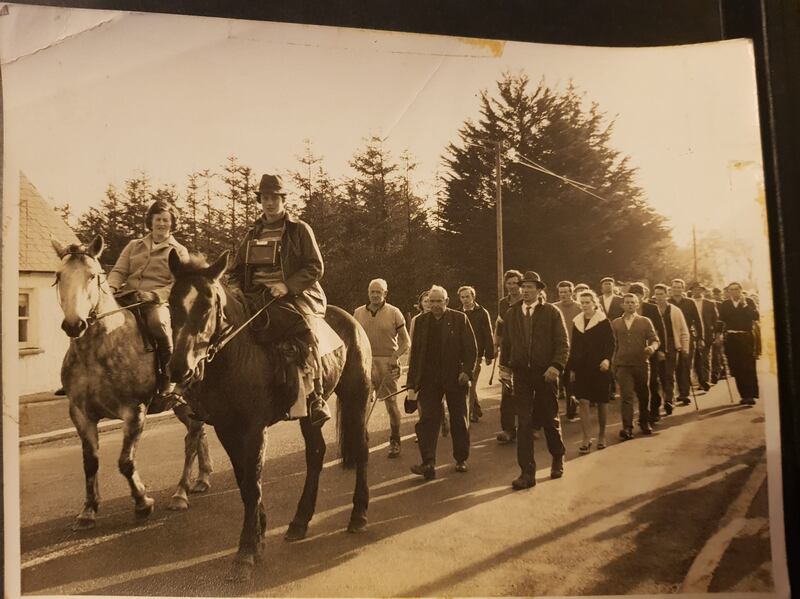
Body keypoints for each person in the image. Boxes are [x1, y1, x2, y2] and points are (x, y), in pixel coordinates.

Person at [228, 173, 330, 426]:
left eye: (274, 197)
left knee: (299, 328)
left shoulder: (299, 229)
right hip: (256, 296)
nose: (270, 203)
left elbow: (315, 267)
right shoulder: (252, 233)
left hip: (296, 295)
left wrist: (287, 285)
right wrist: (235, 289)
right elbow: (236, 270)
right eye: (265, 198)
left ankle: (316, 396)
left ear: (283, 199)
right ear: (260, 201)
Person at [108, 200, 189, 401]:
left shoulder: (179, 251)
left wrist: (153, 295)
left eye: (166, 220)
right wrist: (110, 289)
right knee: (97, 318)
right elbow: (119, 271)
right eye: (158, 219)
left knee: (157, 322)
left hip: (157, 302)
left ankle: (168, 376)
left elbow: (179, 285)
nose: (161, 224)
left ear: (172, 224)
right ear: (150, 222)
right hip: (127, 297)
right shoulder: (133, 245)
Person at [499, 271, 569, 490]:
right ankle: (527, 473)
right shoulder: (512, 313)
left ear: (540, 290)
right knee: (525, 423)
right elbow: (507, 343)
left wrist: (555, 366)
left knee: (549, 418)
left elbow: (563, 343)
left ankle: (557, 458)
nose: (526, 290)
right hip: (522, 375)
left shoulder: (551, 312)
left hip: (545, 374)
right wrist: (505, 368)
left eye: (531, 287)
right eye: (524, 287)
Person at [406, 285, 477, 479]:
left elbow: (471, 349)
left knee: (459, 420)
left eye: (439, 301)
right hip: (429, 379)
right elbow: (416, 356)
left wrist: (466, 372)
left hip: (455, 377)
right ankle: (428, 462)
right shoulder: (420, 322)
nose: (435, 305)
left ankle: (461, 458)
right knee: (427, 420)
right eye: (432, 301)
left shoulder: (459, 319)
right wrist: (411, 384)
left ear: (446, 301)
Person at [353, 278, 411, 457]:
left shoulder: (394, 312)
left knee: (391, 404)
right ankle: (361, 440)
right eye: (372, 291)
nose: (375, 295)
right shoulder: (357, 313)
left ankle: (395, 440)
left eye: (379, 292)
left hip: (387, 363)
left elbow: (406, 341)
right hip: (365, 363)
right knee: (361, 404)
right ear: (368, 292)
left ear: (385, 293)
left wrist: (395, 357)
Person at [567, 290, 614, 452]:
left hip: (600, 367)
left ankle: (601, 435)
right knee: (583, 401)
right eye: (583, 302)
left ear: (594, 303)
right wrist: (572, 368)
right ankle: (586, 437)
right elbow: (574, 347)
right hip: (582, 368)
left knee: (602, 402)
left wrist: (607, 359)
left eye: (588, 302)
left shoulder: (603, 321)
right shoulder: (577, 322)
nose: (585, 305)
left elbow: (610, 343)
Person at [611, 293, 660, 439]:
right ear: (622, 305)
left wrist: (652, 348)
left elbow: (655, 340)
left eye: (633, 302)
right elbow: (612, 344)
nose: (630, 305)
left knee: (643, 394)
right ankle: (627, 427)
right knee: (626, 396)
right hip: (623, 365)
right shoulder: (616, 323)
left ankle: (644, 421)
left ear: (638, 304)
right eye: (627, 302)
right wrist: (612, 361)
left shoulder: (645, 321)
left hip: (641, 363)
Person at [494, 269, 524, 445]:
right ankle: (508, 429)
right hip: (507, 351)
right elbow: (499, 325)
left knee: (525, 389)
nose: (512, 286)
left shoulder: (526, 301)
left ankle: (531, 425)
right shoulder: (503, 303)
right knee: (507, 391)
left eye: (515, 283)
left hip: (525, 352)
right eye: (509, 283)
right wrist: (496, 345)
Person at [717, 282, 760, 405]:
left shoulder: (749, 301)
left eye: (736, 289)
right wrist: (718, 335)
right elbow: (720, 320)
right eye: (731, 290)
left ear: (741, 290)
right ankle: (743, 395)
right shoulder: (725, 304)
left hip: (746, 336)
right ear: (728, 291)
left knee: (748, 366)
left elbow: (755, 316)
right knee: (735, 366)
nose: (734, 292)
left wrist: (744, 305)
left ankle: (750, 395)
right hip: (731, 337)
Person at [650, 284, 690, 416]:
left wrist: (684, 347)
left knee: (668, 374)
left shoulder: (675, 310)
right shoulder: (651, 310)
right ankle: (657, 402)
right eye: (656, 294)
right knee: (656, 376)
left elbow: (683, 330)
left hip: (671, 344)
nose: (659, 297)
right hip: (654, 346)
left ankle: (669, 400)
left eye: (661, 294)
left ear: (667, 295)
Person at [456, 286, 494, 423]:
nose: (465, 299)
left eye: (467, 296)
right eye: (462, 297)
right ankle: (476, 409)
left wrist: (490, 354)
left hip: (476, 354)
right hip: (460, 354)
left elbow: (488, 334)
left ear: (473, 297)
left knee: (470, 384)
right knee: (467, 383)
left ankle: (469, 413)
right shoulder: (457, 313)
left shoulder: (482, 313)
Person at [628, 283, 663, 424]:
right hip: (634, 353)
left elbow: (661, 329)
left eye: (639, 294)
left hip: (651, 350)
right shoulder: (627, 310)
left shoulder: (652, 308)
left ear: (644, 296)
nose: (637, 297)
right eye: (634, 294)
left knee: (653, 382)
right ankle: (643, 413)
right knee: (639, 385)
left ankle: (654, 411)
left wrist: (660, 350)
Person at [669, 278, 702, 406]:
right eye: (674, 287)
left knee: (685, 365)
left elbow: (698, 321)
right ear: (671, 289)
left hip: (687, 337)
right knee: (673, 367)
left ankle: (684, 393)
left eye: (679, 287)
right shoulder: (667, 303)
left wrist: (700, 338)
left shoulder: (690, 302)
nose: (676, 289)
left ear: (683, 289)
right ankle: (674, 393)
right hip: (671, 338)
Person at [554, 281, 582, 420]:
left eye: (566, 292)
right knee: (563, 378)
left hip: (577, 349)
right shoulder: (554, 308)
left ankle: (572, 406)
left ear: (572, 292)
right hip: (560, 350)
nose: (564, 294)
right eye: (561, 292)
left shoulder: (579, 307)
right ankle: (567, 404)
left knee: (573, 379)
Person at [689, 282, 719, 391]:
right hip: (692, 334)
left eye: (699, 289)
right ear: (691, 291)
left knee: (705, 358)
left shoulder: (710, 303)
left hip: (707, 334)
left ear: (703, 290)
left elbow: (716, 320)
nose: (697, 291)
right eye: (695, 289)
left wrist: (716, 333)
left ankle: (706, 381)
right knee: (696, 359)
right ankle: (700, 381)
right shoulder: (688, 302)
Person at [709, 286, 726, 383]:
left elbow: (721, 320)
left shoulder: (721, 304)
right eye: (714, 294)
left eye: (717, 294)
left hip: (720, 330)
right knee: (715, 353)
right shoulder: (711, 303)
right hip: (711, 330)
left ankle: (722, 370)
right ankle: (715, 373)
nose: (715, 296)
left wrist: (719, 332)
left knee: (719, 352)